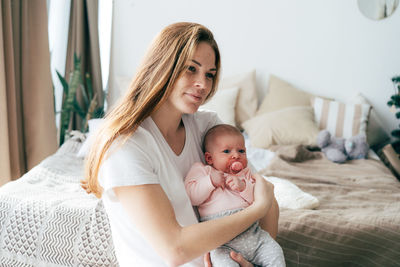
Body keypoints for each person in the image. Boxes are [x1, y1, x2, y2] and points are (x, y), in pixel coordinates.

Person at [81, 22, 279, 267]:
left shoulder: (207, 127)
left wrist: (255, 260)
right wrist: (256, 209)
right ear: (163, 66)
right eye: (191, 69)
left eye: (209, 74)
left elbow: (266, 194)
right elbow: (175, 249)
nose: (203, 84)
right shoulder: (125, 145)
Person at [185, 124, 285, 267]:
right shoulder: (203, 171)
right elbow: (192, 196)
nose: (236, 155)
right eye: (226, 151)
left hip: (254, 236)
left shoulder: (245, 175)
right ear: (209, 158)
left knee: (274, 251)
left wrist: (243, 187)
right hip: (223, 245)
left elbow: (258, 199)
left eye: (241, 151)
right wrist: (210, 182)